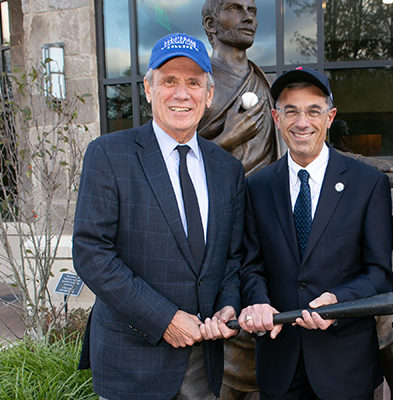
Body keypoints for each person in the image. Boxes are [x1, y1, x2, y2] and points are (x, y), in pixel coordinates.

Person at [72, 33, 244, 400]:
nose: (182, 94)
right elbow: (92, 253)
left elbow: (232, 256)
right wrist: (164, 319)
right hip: (131, 364)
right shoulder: (108, 155)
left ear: (209, 95)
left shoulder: (228, 169)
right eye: (169, 81)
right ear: (148, 89)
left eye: (194, 83)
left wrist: (229, 304)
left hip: (203, 364)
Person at [238, 66, 393, 399]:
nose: (302, 122)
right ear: (276, 118)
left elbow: (379, 274)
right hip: (279, 363)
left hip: (346, 366)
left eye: (313, 111)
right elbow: (251, 265)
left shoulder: (368, 184)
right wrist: (259, 302)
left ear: (330, 116)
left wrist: (338, 302)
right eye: (291, 111)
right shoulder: (257, 187)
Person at [200, 0, 285, 175]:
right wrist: (226, 139)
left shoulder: (267, 83)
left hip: (265, 198)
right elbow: (176, 158)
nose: (248, 18)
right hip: (218, 197)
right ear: (211, 24)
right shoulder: (197, 84)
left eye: (252, 11)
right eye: (235, 8)